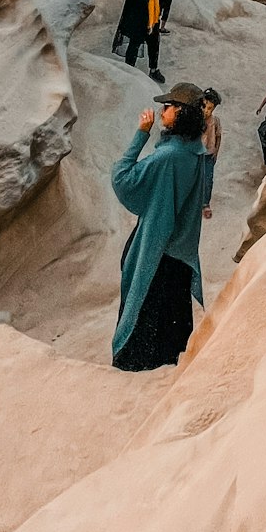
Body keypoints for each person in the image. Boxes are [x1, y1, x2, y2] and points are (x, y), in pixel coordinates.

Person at [110, 83, 213, 371]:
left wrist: (141, 134)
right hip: (178, 254)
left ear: (180, 113)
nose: (161, 110)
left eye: (168, 107)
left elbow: (123, 178)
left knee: (144, 325)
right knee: (172, 329)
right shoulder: (195, 152)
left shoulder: (168, 157)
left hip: (159, 253)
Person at [112, 0, 166, 83]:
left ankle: (153, 70)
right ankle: (129, 70)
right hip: (139, 18)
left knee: (154, 44)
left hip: (151, 18)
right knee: (135, 44)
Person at [201, 87, 222, 217]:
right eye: (205, 108)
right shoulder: (196, 121)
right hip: (196, 154)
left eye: (210, 109)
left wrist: (216, 152)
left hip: (209, 155)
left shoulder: (215, 121)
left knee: (208, 179)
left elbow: (218, 136)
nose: (207, 112)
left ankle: (205, 203)